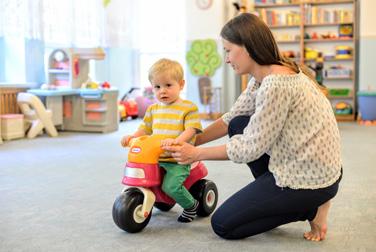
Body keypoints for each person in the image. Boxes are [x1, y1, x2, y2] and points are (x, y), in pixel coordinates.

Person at [162, 13, 342, 240]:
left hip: (310, 179)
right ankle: (282, 200)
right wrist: (192, 140)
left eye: (228, 50)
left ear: (247, 47)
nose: (226, 59)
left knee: (223, 225)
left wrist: (196, 154)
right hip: (298, 162)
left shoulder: (276, 84)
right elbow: (232, 118)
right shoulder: (265, 75)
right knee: (238, 124)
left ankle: (311, 208)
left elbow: (249, 148)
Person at [121, 58, 202, 223]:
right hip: (156, 158)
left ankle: (191, 205)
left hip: (177, 160)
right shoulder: (153, 109)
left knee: (170, 186)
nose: (162, 91)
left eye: (168, 85)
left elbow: (191, 129)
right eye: (157, 87)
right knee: (144, 180)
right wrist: (132, 137)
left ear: (181, 84)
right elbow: (145, 129)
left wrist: (177, 141)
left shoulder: (188, 107)